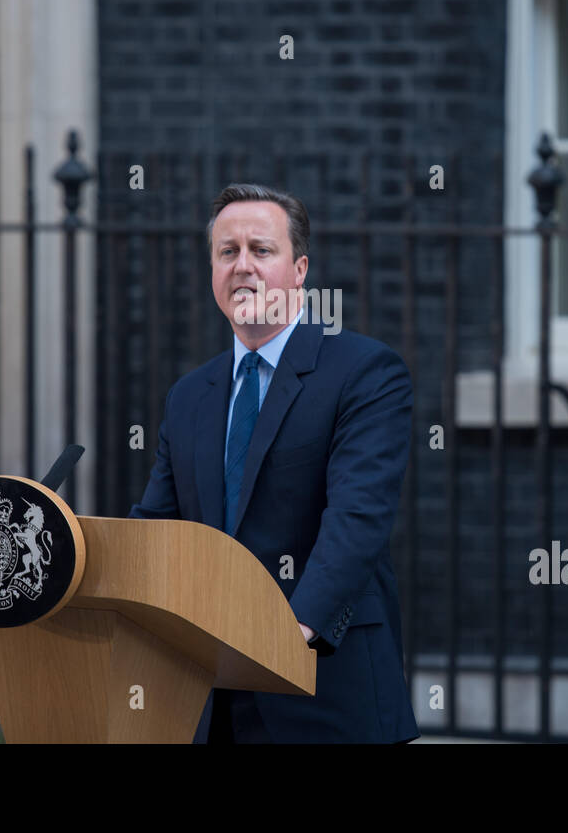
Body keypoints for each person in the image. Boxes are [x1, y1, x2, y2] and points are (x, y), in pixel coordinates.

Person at [128, 182, 420, 743]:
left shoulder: (364, 371)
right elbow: (158, 528)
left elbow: (356, 521)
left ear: (299, 268)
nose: (243, 266)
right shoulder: (189, 395)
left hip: (322, 689)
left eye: (261, 250)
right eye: (227, 252)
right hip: (211, 702)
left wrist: (281, 638)